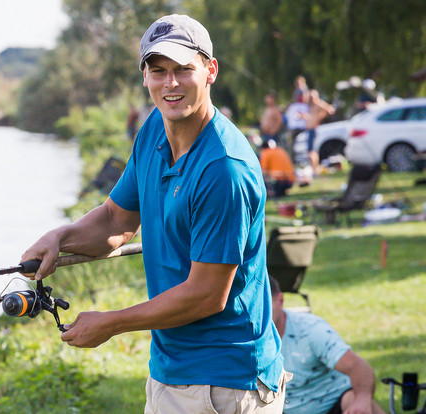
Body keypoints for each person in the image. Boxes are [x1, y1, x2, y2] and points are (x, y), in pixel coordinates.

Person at [21, 14, 288, 414]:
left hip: (226, 383)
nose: (171, 83)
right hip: (170, 370)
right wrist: (62, 238)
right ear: (144, 76)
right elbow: (115, 220)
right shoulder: (153, 131)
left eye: (184, 69)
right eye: (158, 71)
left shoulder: (224, 169)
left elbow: (206, 295)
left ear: (210, 70)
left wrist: (111, 322)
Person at [270, 277, 386, 414]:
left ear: (280, 301)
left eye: (264, 305)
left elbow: (358, 366)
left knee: (357, 404)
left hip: (333, 403)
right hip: (280, 408)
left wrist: (362, 399)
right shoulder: (243, 338)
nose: (259, 315)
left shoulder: (311, 331)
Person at [304, 89, 336, 174]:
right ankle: (313, 169)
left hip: (314, 129)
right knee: (310, 151)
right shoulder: (311, 106)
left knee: (312, 151)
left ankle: (315, 170)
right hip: (309, 129)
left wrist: (321, 117)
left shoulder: (319, 104)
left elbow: (331, 109)